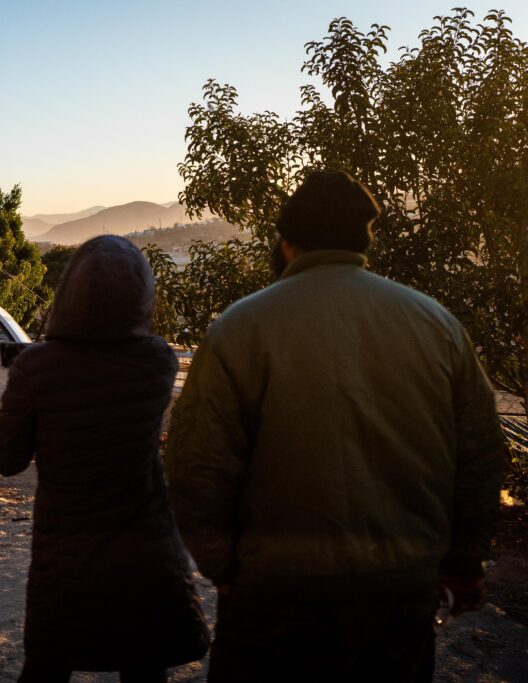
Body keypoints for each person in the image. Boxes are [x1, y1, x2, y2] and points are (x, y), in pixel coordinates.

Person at [164, 170, 506, 682]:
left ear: (285, 241)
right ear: (365, 237)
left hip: (274, 596)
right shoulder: (435, 323)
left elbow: (196, 465)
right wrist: (465, 559)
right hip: (398, 598)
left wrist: (224, 568)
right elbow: (481, 452)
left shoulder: (240, 328)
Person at [0, 235, 210, 683]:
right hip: (144, 550)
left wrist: (27, 387)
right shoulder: (159, 362)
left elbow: (5, 460)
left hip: (64, 552)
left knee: (48, 666)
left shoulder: (36, 367)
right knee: (145, 665)